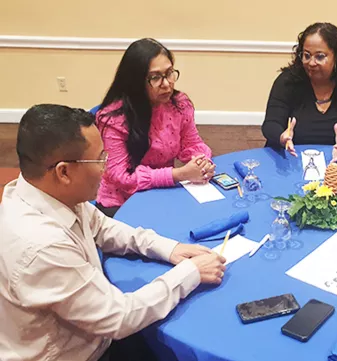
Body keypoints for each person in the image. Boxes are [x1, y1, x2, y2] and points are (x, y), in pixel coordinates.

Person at [0, 104, 227, 361]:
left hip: (95, 335)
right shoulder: (42, 247)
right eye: (99, 159)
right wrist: (191, 273)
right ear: (64, 171)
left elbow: (102, 225)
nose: (105, 168)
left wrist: (168, 248)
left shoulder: (43, 191)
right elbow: (120, 317)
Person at [95, 38, 215, 217]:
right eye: (155, 77)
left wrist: (201, 161)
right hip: (122, 201)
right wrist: (178, 174)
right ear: (135, 81)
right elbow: (122, 177)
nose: (166, 84)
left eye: (169, 73)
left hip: (161, 192)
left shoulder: (179, 104)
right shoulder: (114, 119)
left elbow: (191, 143)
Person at [261, 22, 337, 162]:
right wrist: (281, 137)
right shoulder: (287, 81)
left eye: (320, 56)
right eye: (306, 55)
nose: (311, 63)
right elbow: (270, 124)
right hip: (292, 159)